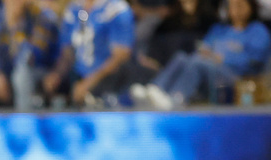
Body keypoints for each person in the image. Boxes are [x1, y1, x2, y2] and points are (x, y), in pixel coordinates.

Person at [134, 0, 270, 109]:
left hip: (236, 78)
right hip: (209, 70)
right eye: (232, 6)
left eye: (240, 5)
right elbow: (203, 47)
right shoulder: (219, 29)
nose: (236, 10)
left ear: (251, 7)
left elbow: (254, 61)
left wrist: (224, 59)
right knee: (181, 57)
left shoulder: (258, 31)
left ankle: (175, 99)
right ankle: (154, 89)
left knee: (197, 63)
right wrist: (206, 53)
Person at [0, 0, 60, 111]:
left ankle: (24, 122)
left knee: (21, 76)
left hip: (39, 71)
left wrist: (15, 27)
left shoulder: (40, 19)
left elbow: (31, 57)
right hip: (4, 72)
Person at [43, 0, 135, 106]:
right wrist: (57, 74)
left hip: (110, 84)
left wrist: (88, 83)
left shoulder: (116, 9)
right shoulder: (74, 8)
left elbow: (121, 56)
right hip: (79, 77)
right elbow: (68, 50)